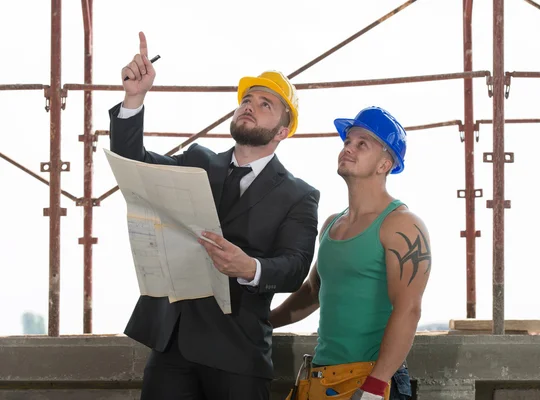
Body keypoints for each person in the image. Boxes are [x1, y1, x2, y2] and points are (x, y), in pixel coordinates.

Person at [109, 32, 320, 400]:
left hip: (237, 355)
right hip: (172, 346)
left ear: (282, 131)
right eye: (247, 100)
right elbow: (134, 165)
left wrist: (249, 267)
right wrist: (134, 98)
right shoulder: (198, 161)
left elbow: (295, 266)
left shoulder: (298, 195)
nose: (250, 106)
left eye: (265, 104)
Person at [270, 106, 432, 400]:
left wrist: (376, 384)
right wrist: (265, 322)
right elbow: (313, 291)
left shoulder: (401, 226)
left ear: (384, 164)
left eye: (362, 144)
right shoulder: (332, 225)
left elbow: (409, 310)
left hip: (370, 380)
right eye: (347, 142)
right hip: (321, 377)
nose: (348, 148)